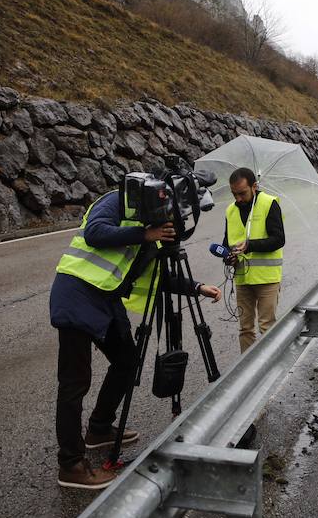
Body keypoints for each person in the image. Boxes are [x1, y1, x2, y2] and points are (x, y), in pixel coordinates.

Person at [50, 188, 221, 490]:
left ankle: (99, 428)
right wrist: (147, 233)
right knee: (75, 383)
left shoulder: (153, 230)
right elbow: (95, 233)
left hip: (106, 299)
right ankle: (71, 465)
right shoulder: (118, 199)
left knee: (128, 361)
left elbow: (157, 275)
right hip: (76, 294)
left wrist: (197, 287)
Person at [223, 167, 285, 353]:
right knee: (245, 329)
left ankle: (268, 369)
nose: (238, 199)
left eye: (242, 193)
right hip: (242, 278)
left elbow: (278, 240)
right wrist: (228, 257)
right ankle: (246, 373)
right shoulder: (230, 210)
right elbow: (226, 242)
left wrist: (250, 245)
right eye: (234, 194)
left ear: (254, 186)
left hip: (267, 279)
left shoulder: (269, 203)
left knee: (267, 328)